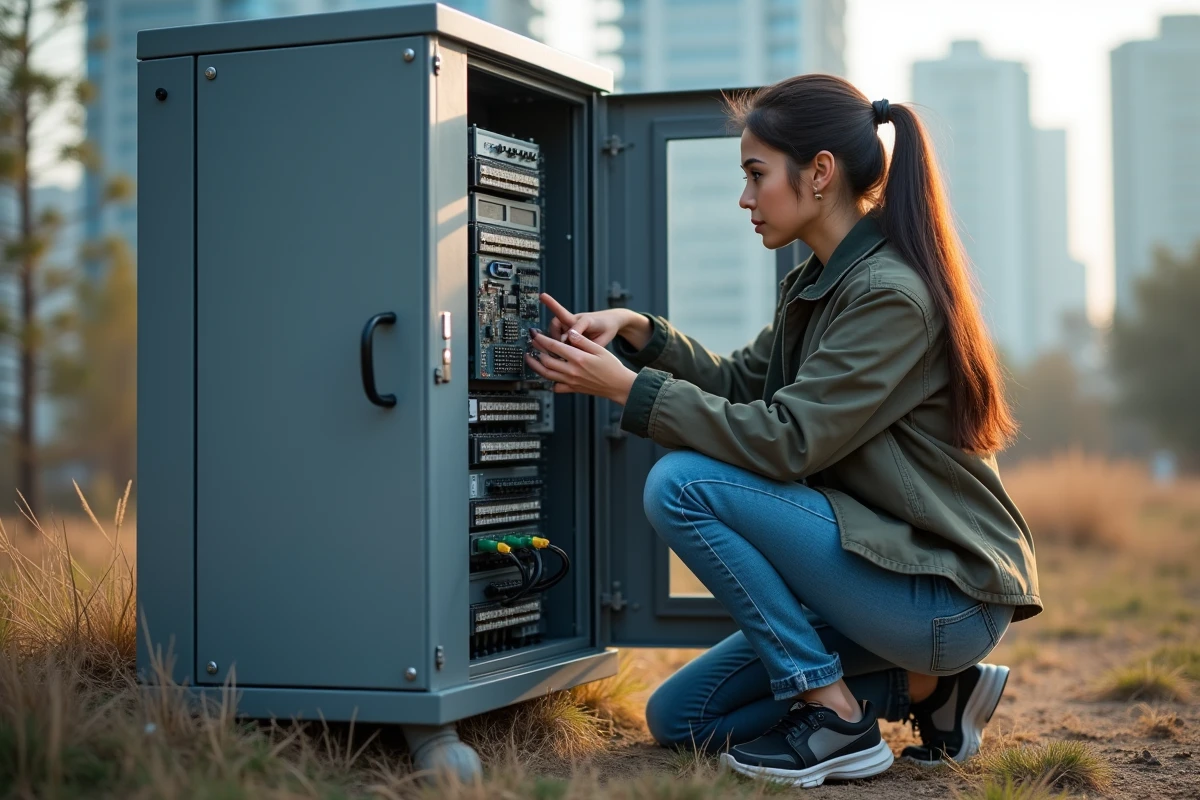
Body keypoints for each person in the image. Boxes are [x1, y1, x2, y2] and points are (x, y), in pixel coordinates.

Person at [523, 73, 1041, 789]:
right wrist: (641, 334)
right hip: (880, 570)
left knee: (679, 484)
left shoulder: (888, 295)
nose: (745, 198)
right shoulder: (819, 281)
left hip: (942, 594)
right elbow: (743, 385)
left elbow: (789, 440)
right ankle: (929, 692)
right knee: (685, 718)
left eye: (755, 174)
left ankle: (835, 718)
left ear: (819, 173)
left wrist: (626, 390)